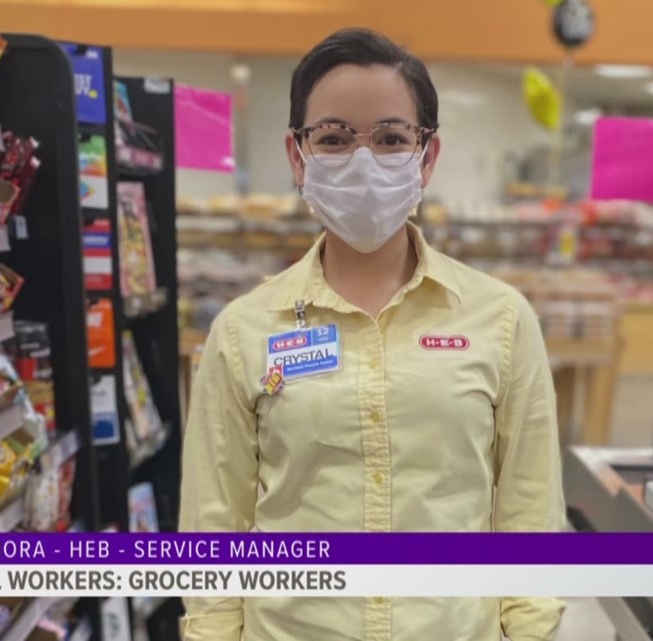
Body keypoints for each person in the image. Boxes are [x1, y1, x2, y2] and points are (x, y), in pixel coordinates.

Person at [179, 28, 566, 641]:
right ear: (297, 156)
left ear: (427, 155)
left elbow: (529, 513)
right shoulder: (243, 331)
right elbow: (214, 524)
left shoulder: (501, 319)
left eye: (390, 138)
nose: (362, 162)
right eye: (333, 138)